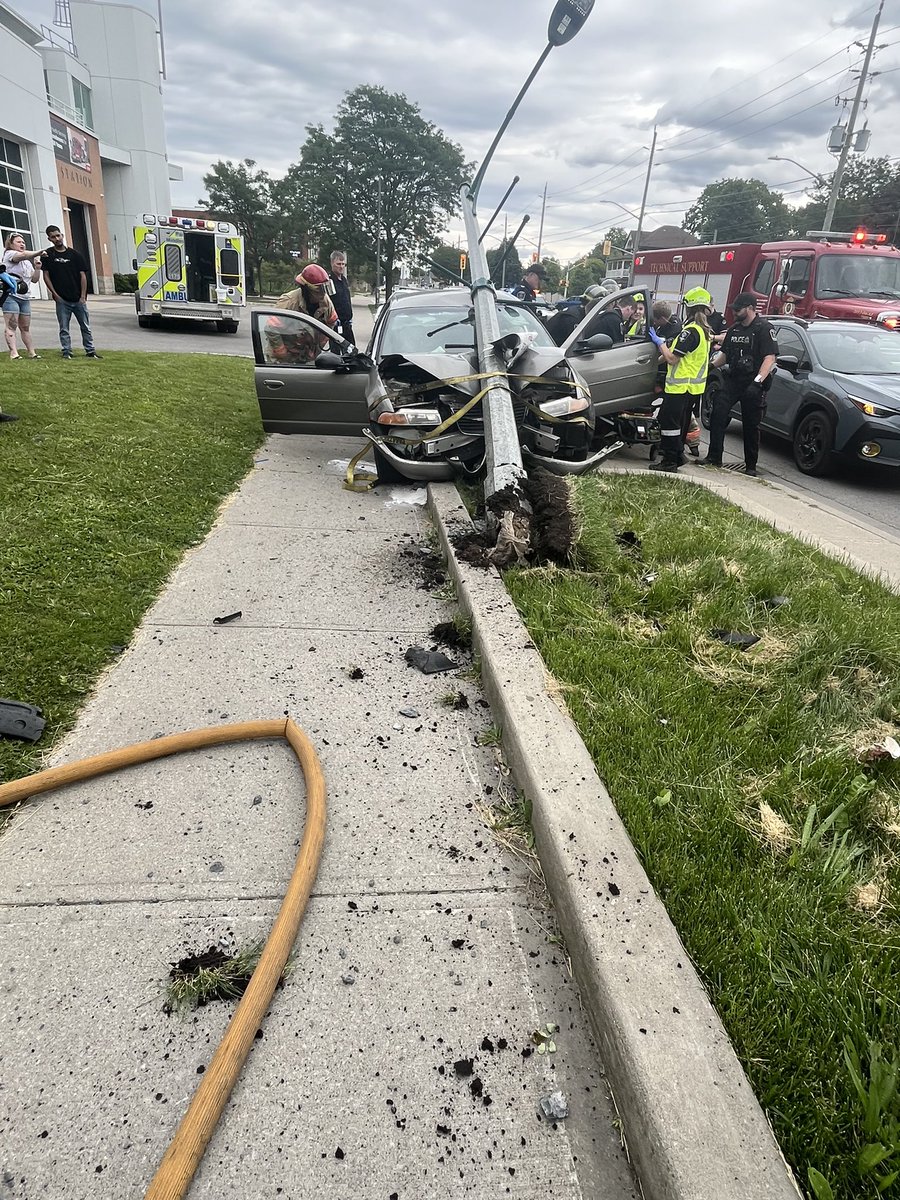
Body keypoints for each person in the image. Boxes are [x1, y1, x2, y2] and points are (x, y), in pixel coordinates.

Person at [703, 292, 778, 477]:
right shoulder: (735, 330)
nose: (734, 312)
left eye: (738, 309)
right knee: (718, 412)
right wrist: (710, 367)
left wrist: (757, 382)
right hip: (734, 379)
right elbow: (725, 356)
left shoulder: (763, 328)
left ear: (751, 308)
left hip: (753, 382)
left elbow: (770, 358)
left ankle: (750, 466)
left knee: (751, 425)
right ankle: (714, 457)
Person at [647, 286, 714, 472]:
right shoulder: (704, 331)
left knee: (669, 423)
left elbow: (671, 358)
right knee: (679, 423)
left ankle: (669, 461)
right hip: (692, 389)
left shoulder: (690, 332)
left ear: (688, 308)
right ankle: (677, 455)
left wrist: (660, 343)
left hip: (680, 388)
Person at [40, 225, 101, 359]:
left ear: (62, 235)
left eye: (58, 235)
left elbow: (83, 276)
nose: (57, 239)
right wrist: (54, 294)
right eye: (53, 237)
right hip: (62, 299)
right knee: (64, 328)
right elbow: (46, 275)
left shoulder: (75, 255)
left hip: (78, 298)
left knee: (85, 326)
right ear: (49, 239)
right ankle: (67, 351)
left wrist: (83, 296)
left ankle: (90, 351)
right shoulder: (48, 255)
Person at [266, 263, 339, 364]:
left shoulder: (326, 303)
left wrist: (320, 345)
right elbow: (271, 328)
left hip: (307, 356)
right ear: (307, 289)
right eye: (319, 290)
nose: (323, 294)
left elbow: (332, 322)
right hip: (283, 358)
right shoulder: (289, 302)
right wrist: (282, 353)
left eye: (325, 289)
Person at [2, 233, 44, 360]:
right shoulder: (10, 254)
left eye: (23, 242)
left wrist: (37, 268)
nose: (22, 244)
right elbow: (23, 255)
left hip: (25, 297)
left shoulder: (26, 262)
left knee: (25, 327)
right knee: (11, 325)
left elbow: (35, 280)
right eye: (19, 242)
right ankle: (14, 353)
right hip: (11, 295)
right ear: (11, 244)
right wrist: (38, 252)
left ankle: (32, 352)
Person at [329, 250, 355, 346]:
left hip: (347, 323)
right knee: (336, 354)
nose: (341, 267)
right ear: (332, 263)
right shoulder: (329, 281)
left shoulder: (344, 280)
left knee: (352, 349)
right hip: (336, 324)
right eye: (338, 264)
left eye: (343, 264)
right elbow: (327, 302)